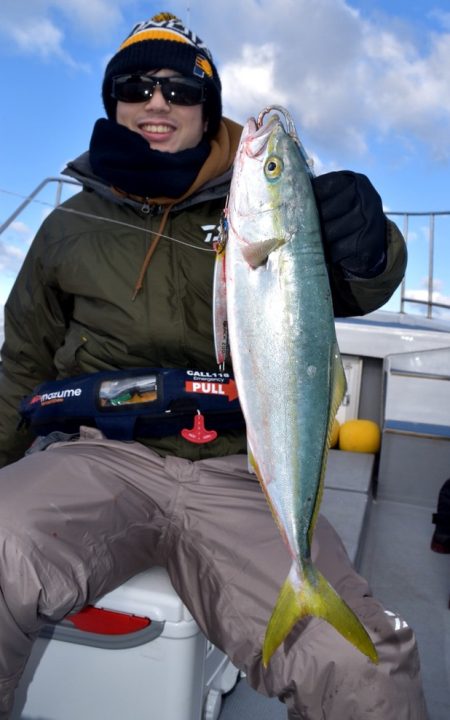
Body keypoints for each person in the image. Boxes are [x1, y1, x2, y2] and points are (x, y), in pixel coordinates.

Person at [0, 11, 428, 720]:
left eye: (179, 89)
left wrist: (368, 242)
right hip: (102, 458)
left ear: (208, 108)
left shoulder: (259, 205)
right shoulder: (67, 225)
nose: (156, 103)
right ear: (113, 103)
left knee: (367, 672)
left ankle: (310, 592)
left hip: (245, 468)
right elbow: (20, 362)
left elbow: (353, 287)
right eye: (137, 87)